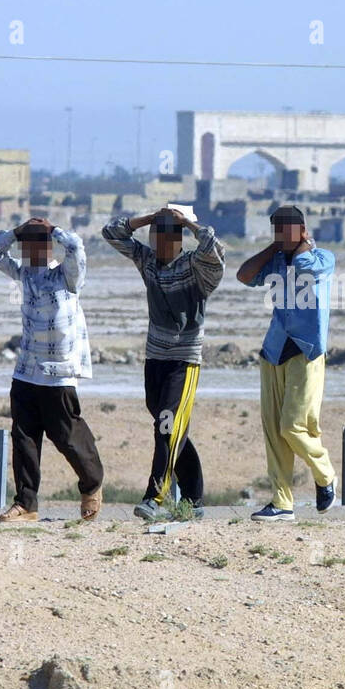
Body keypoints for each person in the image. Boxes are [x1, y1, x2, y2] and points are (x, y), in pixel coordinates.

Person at [102, 205, 225, 522]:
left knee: (167, 426)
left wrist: (188, 223)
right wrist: (148, 218)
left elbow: (215, 247)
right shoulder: (148, 263)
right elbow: (111, 232)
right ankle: (195, 498)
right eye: (154, 237)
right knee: (170, 426)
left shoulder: (197, 268)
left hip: (184, 360)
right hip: (155, 357)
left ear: (178, 239)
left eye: (164, 237)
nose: (157, 244)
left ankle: (155, 496)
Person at [0, 217, 104, 523]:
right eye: (27, 243)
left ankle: (92, 484)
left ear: (49, 245)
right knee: (24, 438)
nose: (31, 249)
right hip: (26, 371)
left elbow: (77, 246)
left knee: (67, 436)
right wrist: (14, 231)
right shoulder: (24, 274)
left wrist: (53, 228)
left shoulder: (67, 276)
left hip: (59, 372)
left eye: (38, 242)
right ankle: (26, 504)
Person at [235, 205, 336, 523]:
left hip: (307, 352)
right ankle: (282, 502)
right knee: (273, 432)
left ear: (302, 228)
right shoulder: (275, 259)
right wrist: (274, 248)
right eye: (275, 228)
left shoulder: (322, 258)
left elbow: (308, 268)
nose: (280, 234)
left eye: (286, 228)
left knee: (294, 425)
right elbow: (244, 275)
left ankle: (325, 474)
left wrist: (301, 245)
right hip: (275, 349)